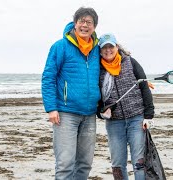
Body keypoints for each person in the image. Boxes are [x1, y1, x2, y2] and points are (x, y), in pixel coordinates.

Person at [42, 7, 100, 180]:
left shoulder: (97, 48)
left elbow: (117, 60)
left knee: (84, 164)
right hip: (66, 113)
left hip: (90, 114)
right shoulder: (60, 46)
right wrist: (51, 108)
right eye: (81, 21)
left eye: (89, 22)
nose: (85, 25)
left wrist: (140, 78)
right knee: (65, 164)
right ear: (75, 24)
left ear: (94, 27)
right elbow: (48, 77)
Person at [97, 33, 155, 180]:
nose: (108, 50)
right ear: (100, 50)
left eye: (111, 46)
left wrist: (148, 116)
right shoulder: (97, 69)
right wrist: (101, 111)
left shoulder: (131, 62)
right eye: (104, 47)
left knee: (139, 162)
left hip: (136, 119)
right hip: (114, 122)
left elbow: (144, 87)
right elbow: (96, 97)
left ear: (117, 47)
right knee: (117, 164)